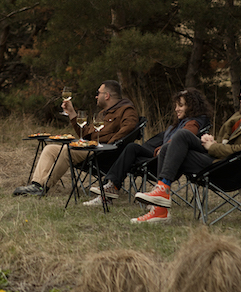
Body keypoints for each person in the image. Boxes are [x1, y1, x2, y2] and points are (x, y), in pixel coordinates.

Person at [133, 80, 241, 224]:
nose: (239, 100)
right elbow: (230, 143)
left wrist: (212, 147)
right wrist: (213, 142)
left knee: (174, 143)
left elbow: (240, 150)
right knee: (175, 141)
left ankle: (161, 203)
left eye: (240, 97)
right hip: (222, 158)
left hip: (228, 169)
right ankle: (161, 198)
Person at [82, 87, 212, 207]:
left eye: (181, 106)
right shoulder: (179, 123)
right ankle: (110, 188)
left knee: (132, 149)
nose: (176, 109)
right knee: (132, 148)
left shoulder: (193, 123)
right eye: (176, 105)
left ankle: (111, 189)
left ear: (192, 107)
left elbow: (181, 138)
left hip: (167, 160)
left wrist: (162, 148)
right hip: (159, 154)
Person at [13, 80, 138, 196]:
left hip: (104, 154)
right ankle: (37, 184)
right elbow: (85, 134)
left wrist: (109, 144)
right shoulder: (103, 113)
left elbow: (129, 129)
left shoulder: (127, 110)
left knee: (66, 151)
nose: (96, 96)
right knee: (50, 149)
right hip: (90, 149)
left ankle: (43, 187)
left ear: (107, 95)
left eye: (98, 93)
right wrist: (72, 113)